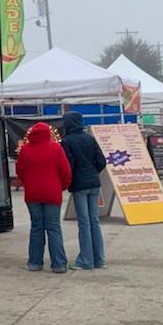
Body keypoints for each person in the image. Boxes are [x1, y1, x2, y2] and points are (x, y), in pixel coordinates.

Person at [16, 121, 71, 273]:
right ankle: (59, 264)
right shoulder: (56, 148)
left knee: (36, 228)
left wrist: (27, 183)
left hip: (33, 194)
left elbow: (19, 171)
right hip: (52, 193)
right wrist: (61, 187)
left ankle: (35, 263)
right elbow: (65, 171)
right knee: (54, 228)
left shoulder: (25, 150)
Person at [61, 112, 108, 270]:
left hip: (79, 185)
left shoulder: (67, 141)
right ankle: (99, 259)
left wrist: (70, 180)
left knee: (84, 223)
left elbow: (69, 165)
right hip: (94, 182)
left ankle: (86, 260)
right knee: (94, 221)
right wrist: (93, 172)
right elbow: (102, 160)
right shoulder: (90, 139)